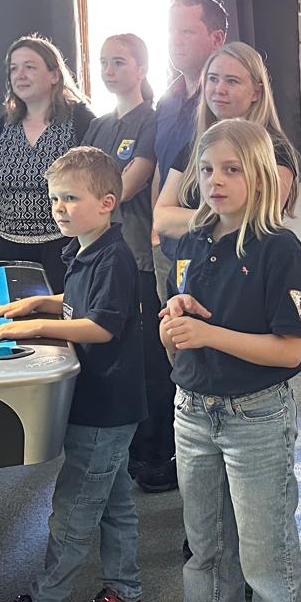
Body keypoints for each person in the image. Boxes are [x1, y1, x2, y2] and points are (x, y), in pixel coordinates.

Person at [151, 119, 301, 602]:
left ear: (261, 176)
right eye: (206, 169)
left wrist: (210, 335)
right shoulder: (192, 241)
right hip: (193, 410)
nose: (214, 181)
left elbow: (290, 350)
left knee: (266, 558)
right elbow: (179, 331)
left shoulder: (280, 248)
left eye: (231, 169)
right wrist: (174, 324)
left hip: (255, 417)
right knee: (207, 551)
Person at [0, 146, 147, 602]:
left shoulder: (115, 258)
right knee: (114, 504)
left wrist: (36, 326)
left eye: (71, 198)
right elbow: (80, 302)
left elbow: (100, 325)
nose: (59, 208)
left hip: (106, 408)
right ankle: (126, 595)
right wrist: (37, 303)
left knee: (73, 511)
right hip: (102, 404)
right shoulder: (86, 248)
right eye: (55, 199)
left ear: (107, 202)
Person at [82, 34, 176, 491]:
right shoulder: (97, 126)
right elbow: (76, 187)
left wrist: (91, 195)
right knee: (112, 359)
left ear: (141, 68)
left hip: (137, 257)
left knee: (149, 363)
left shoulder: (152, 121)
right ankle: (122, 451)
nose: (109, 70)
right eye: (104, 62)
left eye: (119, 62)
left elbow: (125, 186)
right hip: (98, 256)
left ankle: (156, 455)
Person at [151, 41, 300, 240]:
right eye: (213, 79)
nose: (219, 89)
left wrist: (191, 221)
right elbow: (161, 219)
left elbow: (255, 221)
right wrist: (223, 219)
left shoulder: (275, 149)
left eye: (232, 81)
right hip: (187, 257)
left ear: (256, 92)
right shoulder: (197, 145)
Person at [0, 34, 96, 292]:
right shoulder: (4, 125)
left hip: (64, 246)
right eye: (14, 68)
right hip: (5, 244)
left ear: (54, 75)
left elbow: (94, 181)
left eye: (30, 67)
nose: (20, 75)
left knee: (63, 312)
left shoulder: (80, 120)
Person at [152, 0, 230, 307]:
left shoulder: (224, 104)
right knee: (172, 332)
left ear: (217, 38)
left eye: (186, 31)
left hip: (214, 249)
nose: (175, 40)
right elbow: (160, 167)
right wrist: (155, 233)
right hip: (168, 246)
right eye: (171, 30)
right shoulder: (166, 101)